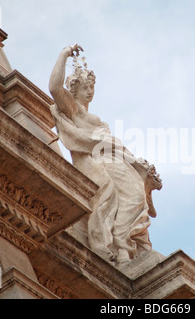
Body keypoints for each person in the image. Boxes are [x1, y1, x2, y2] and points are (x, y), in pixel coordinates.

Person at [49, 44, 162, 263]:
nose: (90, 91)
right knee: (135, 196)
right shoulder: (73, 110)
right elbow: (54, 87)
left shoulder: (98, 119)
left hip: (113, 159)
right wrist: (63, 54)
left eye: (92, 87)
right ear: (74, 89)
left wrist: (138, 165)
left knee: (138, 198)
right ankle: (121, 245)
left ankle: (124, 248)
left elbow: (113, 146)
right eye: (85, 87)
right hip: (98, 162)